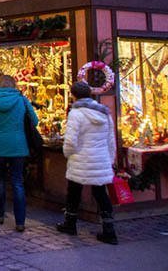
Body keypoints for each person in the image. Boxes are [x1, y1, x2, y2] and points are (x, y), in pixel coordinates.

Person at [56, 82, 118, 244]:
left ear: (74, 95)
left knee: (74, 192)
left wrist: (68, 154)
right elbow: (111, 139)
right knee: (100, 194)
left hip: (80, 160)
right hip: (100, 159)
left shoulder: (76, 113)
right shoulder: (104, 113)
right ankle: (109, 230)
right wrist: (110, 158)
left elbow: (70, 141)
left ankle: (70, 223)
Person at [0, 75, 38, 232]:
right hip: (18, 146)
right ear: (14, 85)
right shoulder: (21, 100)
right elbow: (35, 120)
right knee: (18, 182)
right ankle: (20, 221)